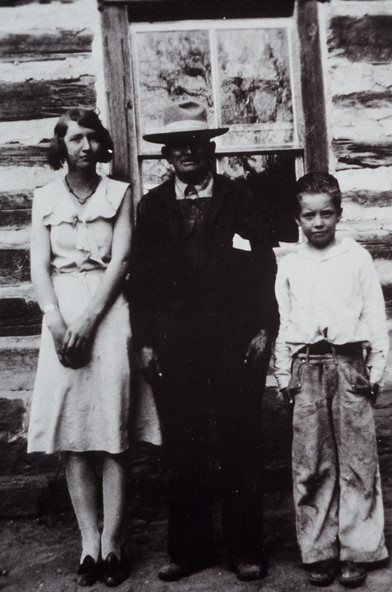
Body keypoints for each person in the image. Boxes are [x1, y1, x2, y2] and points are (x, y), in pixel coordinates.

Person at [127, 101, 278, 582]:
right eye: (178, 145)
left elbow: (264, 269)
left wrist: (263, 328)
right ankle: (189, 550)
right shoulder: (152, 207)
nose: (188, 151)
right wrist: (146, 340)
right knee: (184, 446)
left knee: (241, 442)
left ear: (209, 148)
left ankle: (245, 550)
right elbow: (141, 281)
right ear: (167, 155)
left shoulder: (241, 199)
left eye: (196, 143)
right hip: (174, 343)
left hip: (235, 339)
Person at [27, 109, 161, 588]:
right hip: (60, 313)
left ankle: (114, 544)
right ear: (61, 146)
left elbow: (122, 259)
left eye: (91, 138)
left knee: (112, 429)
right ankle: (88, 544)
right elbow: (39, 265)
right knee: (75, 436)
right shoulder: (43, 198)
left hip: (108, 313)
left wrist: (88, 320)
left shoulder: (119, 194)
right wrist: (56, 319)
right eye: (74, 139)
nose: (84, 147)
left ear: (102, 145)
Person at [273, 172, 388, 588]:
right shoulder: (290, 265)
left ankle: (358, 550)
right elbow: (284, 323)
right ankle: (318, 551)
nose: (318, 222)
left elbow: (374, 317)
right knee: (312, 462)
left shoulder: (356, 258)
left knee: (358, 461)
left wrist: (375, 371)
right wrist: (284, 374)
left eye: (326, 213)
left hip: (349, 364)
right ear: (297, 219)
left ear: (339, 214)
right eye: (309, 215)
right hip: (306, 367)